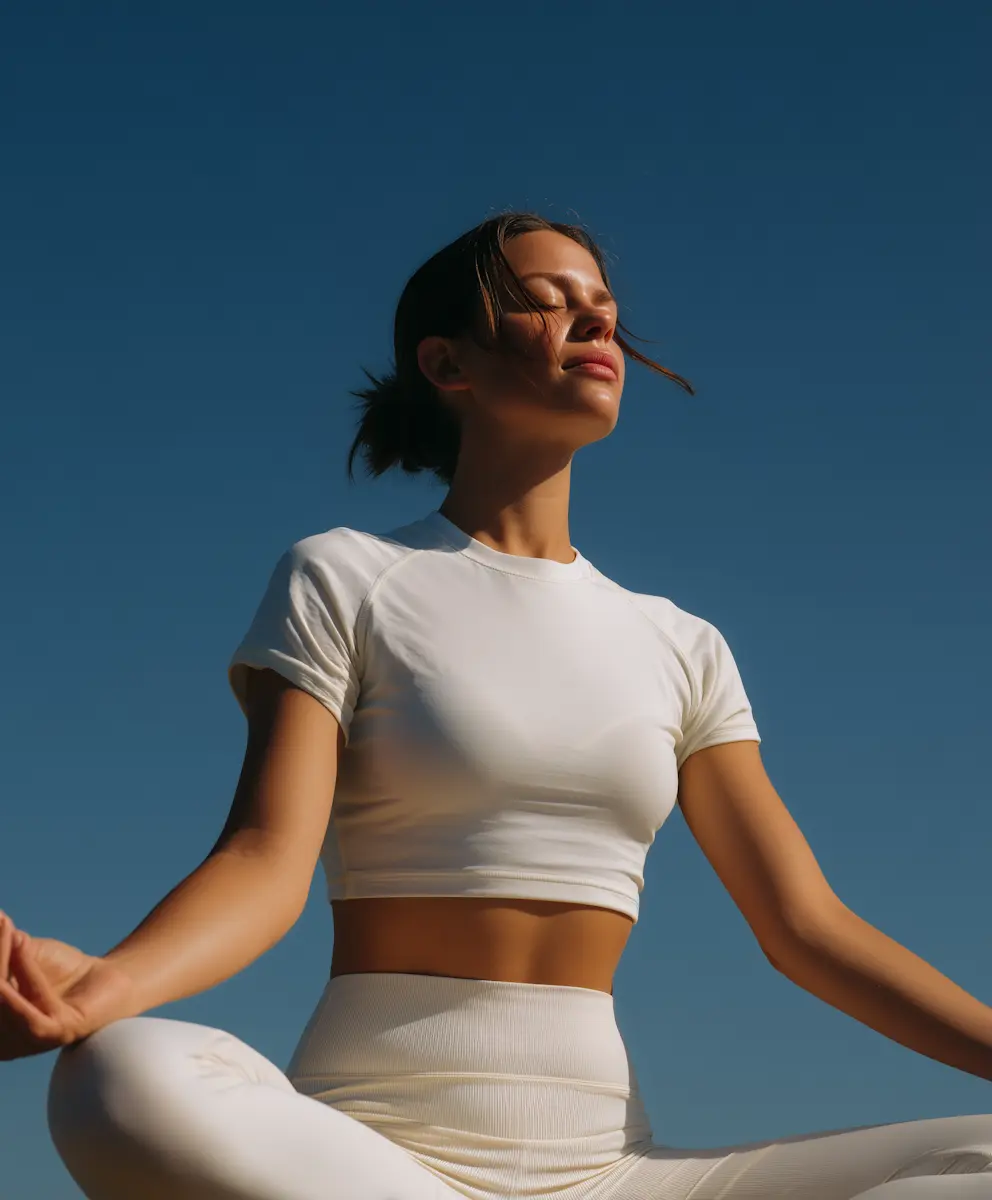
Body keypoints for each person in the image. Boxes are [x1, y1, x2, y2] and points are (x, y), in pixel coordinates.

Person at [1, 212, 990, 1200]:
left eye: (601, 310)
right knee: (119, 1077)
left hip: (612, 1170)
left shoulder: (680, 643)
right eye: (544, 304)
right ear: (446, 363)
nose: (593, 327)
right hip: (367, 1158)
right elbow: (263, 865)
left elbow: (803, 926)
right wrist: (94, 991)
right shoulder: (347, 576)